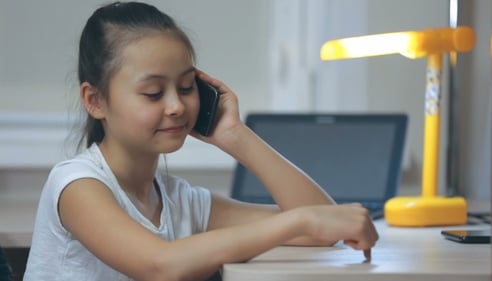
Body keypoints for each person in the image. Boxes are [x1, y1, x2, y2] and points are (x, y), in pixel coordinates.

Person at [23, 2, 378, 280]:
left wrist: (236, 137)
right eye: (152, 93)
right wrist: (301, 222)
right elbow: (161, 266)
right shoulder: (75, 186)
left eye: (187, 87)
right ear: (95, 101)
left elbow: (324, 226)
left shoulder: (181, 201)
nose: (177, 106)